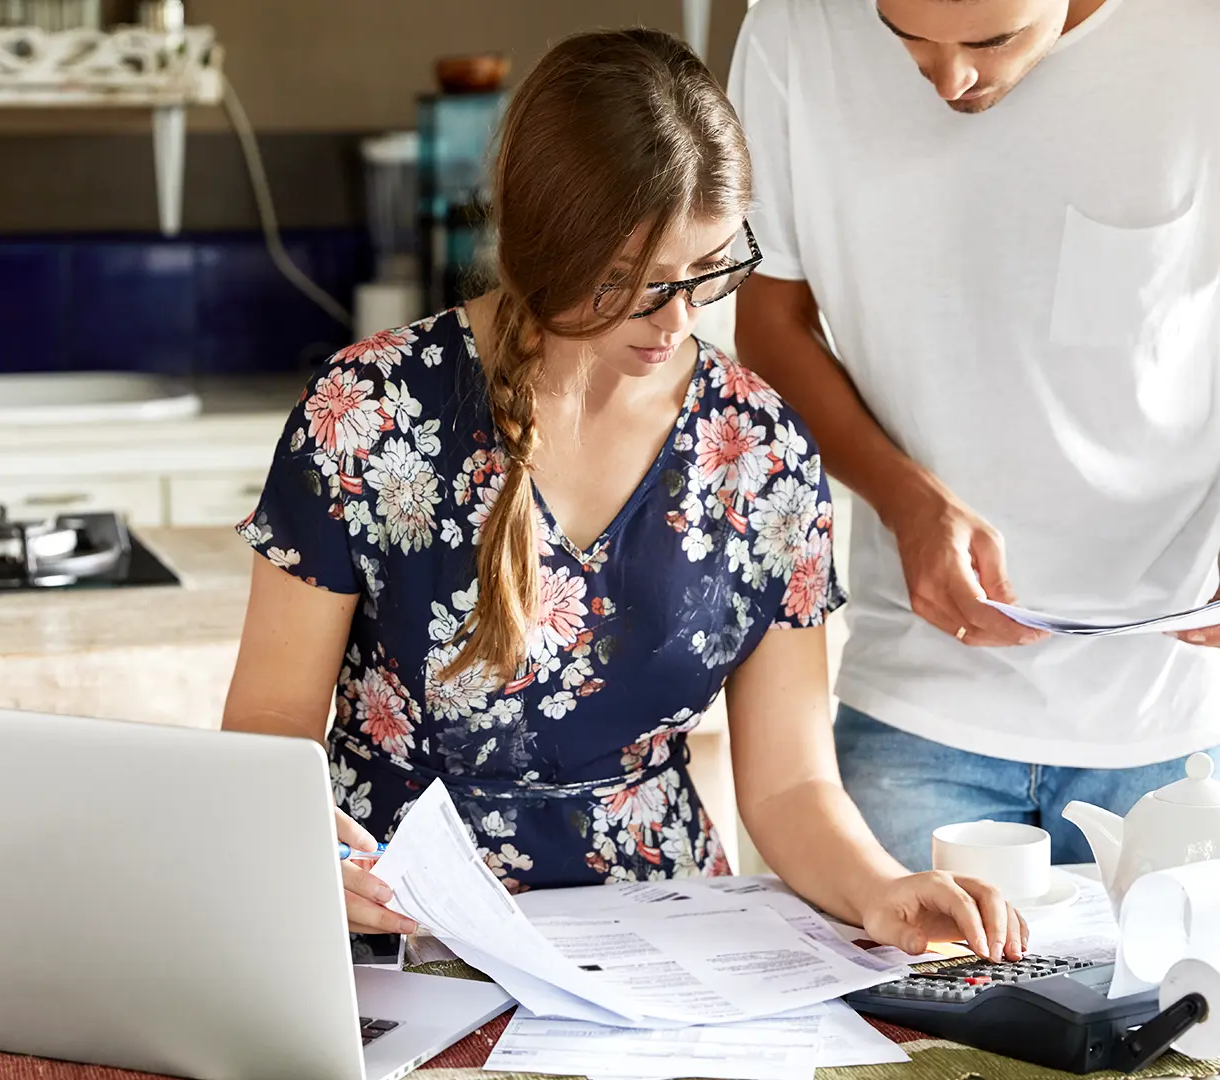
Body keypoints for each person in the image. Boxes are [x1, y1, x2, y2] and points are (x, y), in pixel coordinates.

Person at [222, 27, 1027, 961]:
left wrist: (882, 889)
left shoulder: (758, 450)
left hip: (665, 948)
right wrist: (309, 852)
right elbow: (270, 730)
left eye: (708, 271)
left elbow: (790, 786)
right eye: (631, 285)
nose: (678, 321)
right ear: (544, 244)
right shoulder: (365, 413)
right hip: (401, 935)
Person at [728, 0, 1220, 870]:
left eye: (990, 41)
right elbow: (770, 321)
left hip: (1178, 713)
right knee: (894, 1008)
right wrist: (906, 500)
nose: (949, 79)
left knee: (1178, 1004)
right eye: (908, 40)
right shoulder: (795, 27)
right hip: (920, 702)